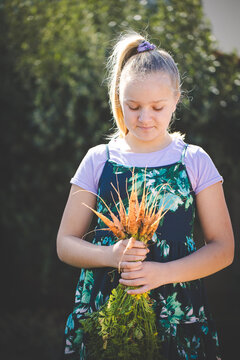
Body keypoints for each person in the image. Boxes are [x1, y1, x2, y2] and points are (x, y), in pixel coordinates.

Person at [57, 31, 234, 360]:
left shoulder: (193, 160)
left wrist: (163, 273)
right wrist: (111, 256)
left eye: (157, 107)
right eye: (133, 106)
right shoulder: (98, 160)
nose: (144, 117)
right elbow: (65, 243)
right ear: (118, 98)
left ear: (176, 99)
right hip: (106, 316)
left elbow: (223, 249)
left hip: (177, 314)